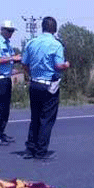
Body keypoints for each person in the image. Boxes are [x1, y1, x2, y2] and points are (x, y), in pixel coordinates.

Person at [21, 16, 70, 160]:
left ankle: (30, 148)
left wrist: (31, 74)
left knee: (35, 117)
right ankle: (41, 151)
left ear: (42, 27)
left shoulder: (31, 43)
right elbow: (58, 65)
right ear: (55, 29)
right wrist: (66, 65)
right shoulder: (56, 44)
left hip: (34, 83)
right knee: (46, 118)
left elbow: (24, 63)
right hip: (49, 85)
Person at [0, 20, 21, 146]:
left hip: (6, 78)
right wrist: (13, 58)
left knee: (5, 109)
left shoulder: (8, 44)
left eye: (12, 31)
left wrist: (17, 61)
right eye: (9, 30)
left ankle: (1, 132)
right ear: (2, 30)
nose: (11, 33)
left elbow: (9, 61)